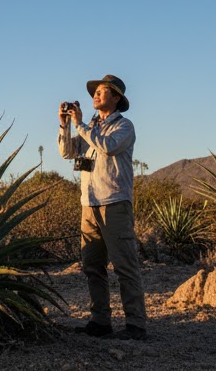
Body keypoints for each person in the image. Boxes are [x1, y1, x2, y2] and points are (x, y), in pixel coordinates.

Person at [58, 73, 147, 341]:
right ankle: (100, 320)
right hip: (89, 203)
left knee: (124, 265)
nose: (96, 95)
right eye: (94, 91)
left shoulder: (124, 127)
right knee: (92, 266)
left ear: (117, 97)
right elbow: (67, 152)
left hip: (115, 203)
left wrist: (81, 124)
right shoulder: (90, 129)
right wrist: (65, 125)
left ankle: (136, 324)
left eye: (102, 91)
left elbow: (106, 147)